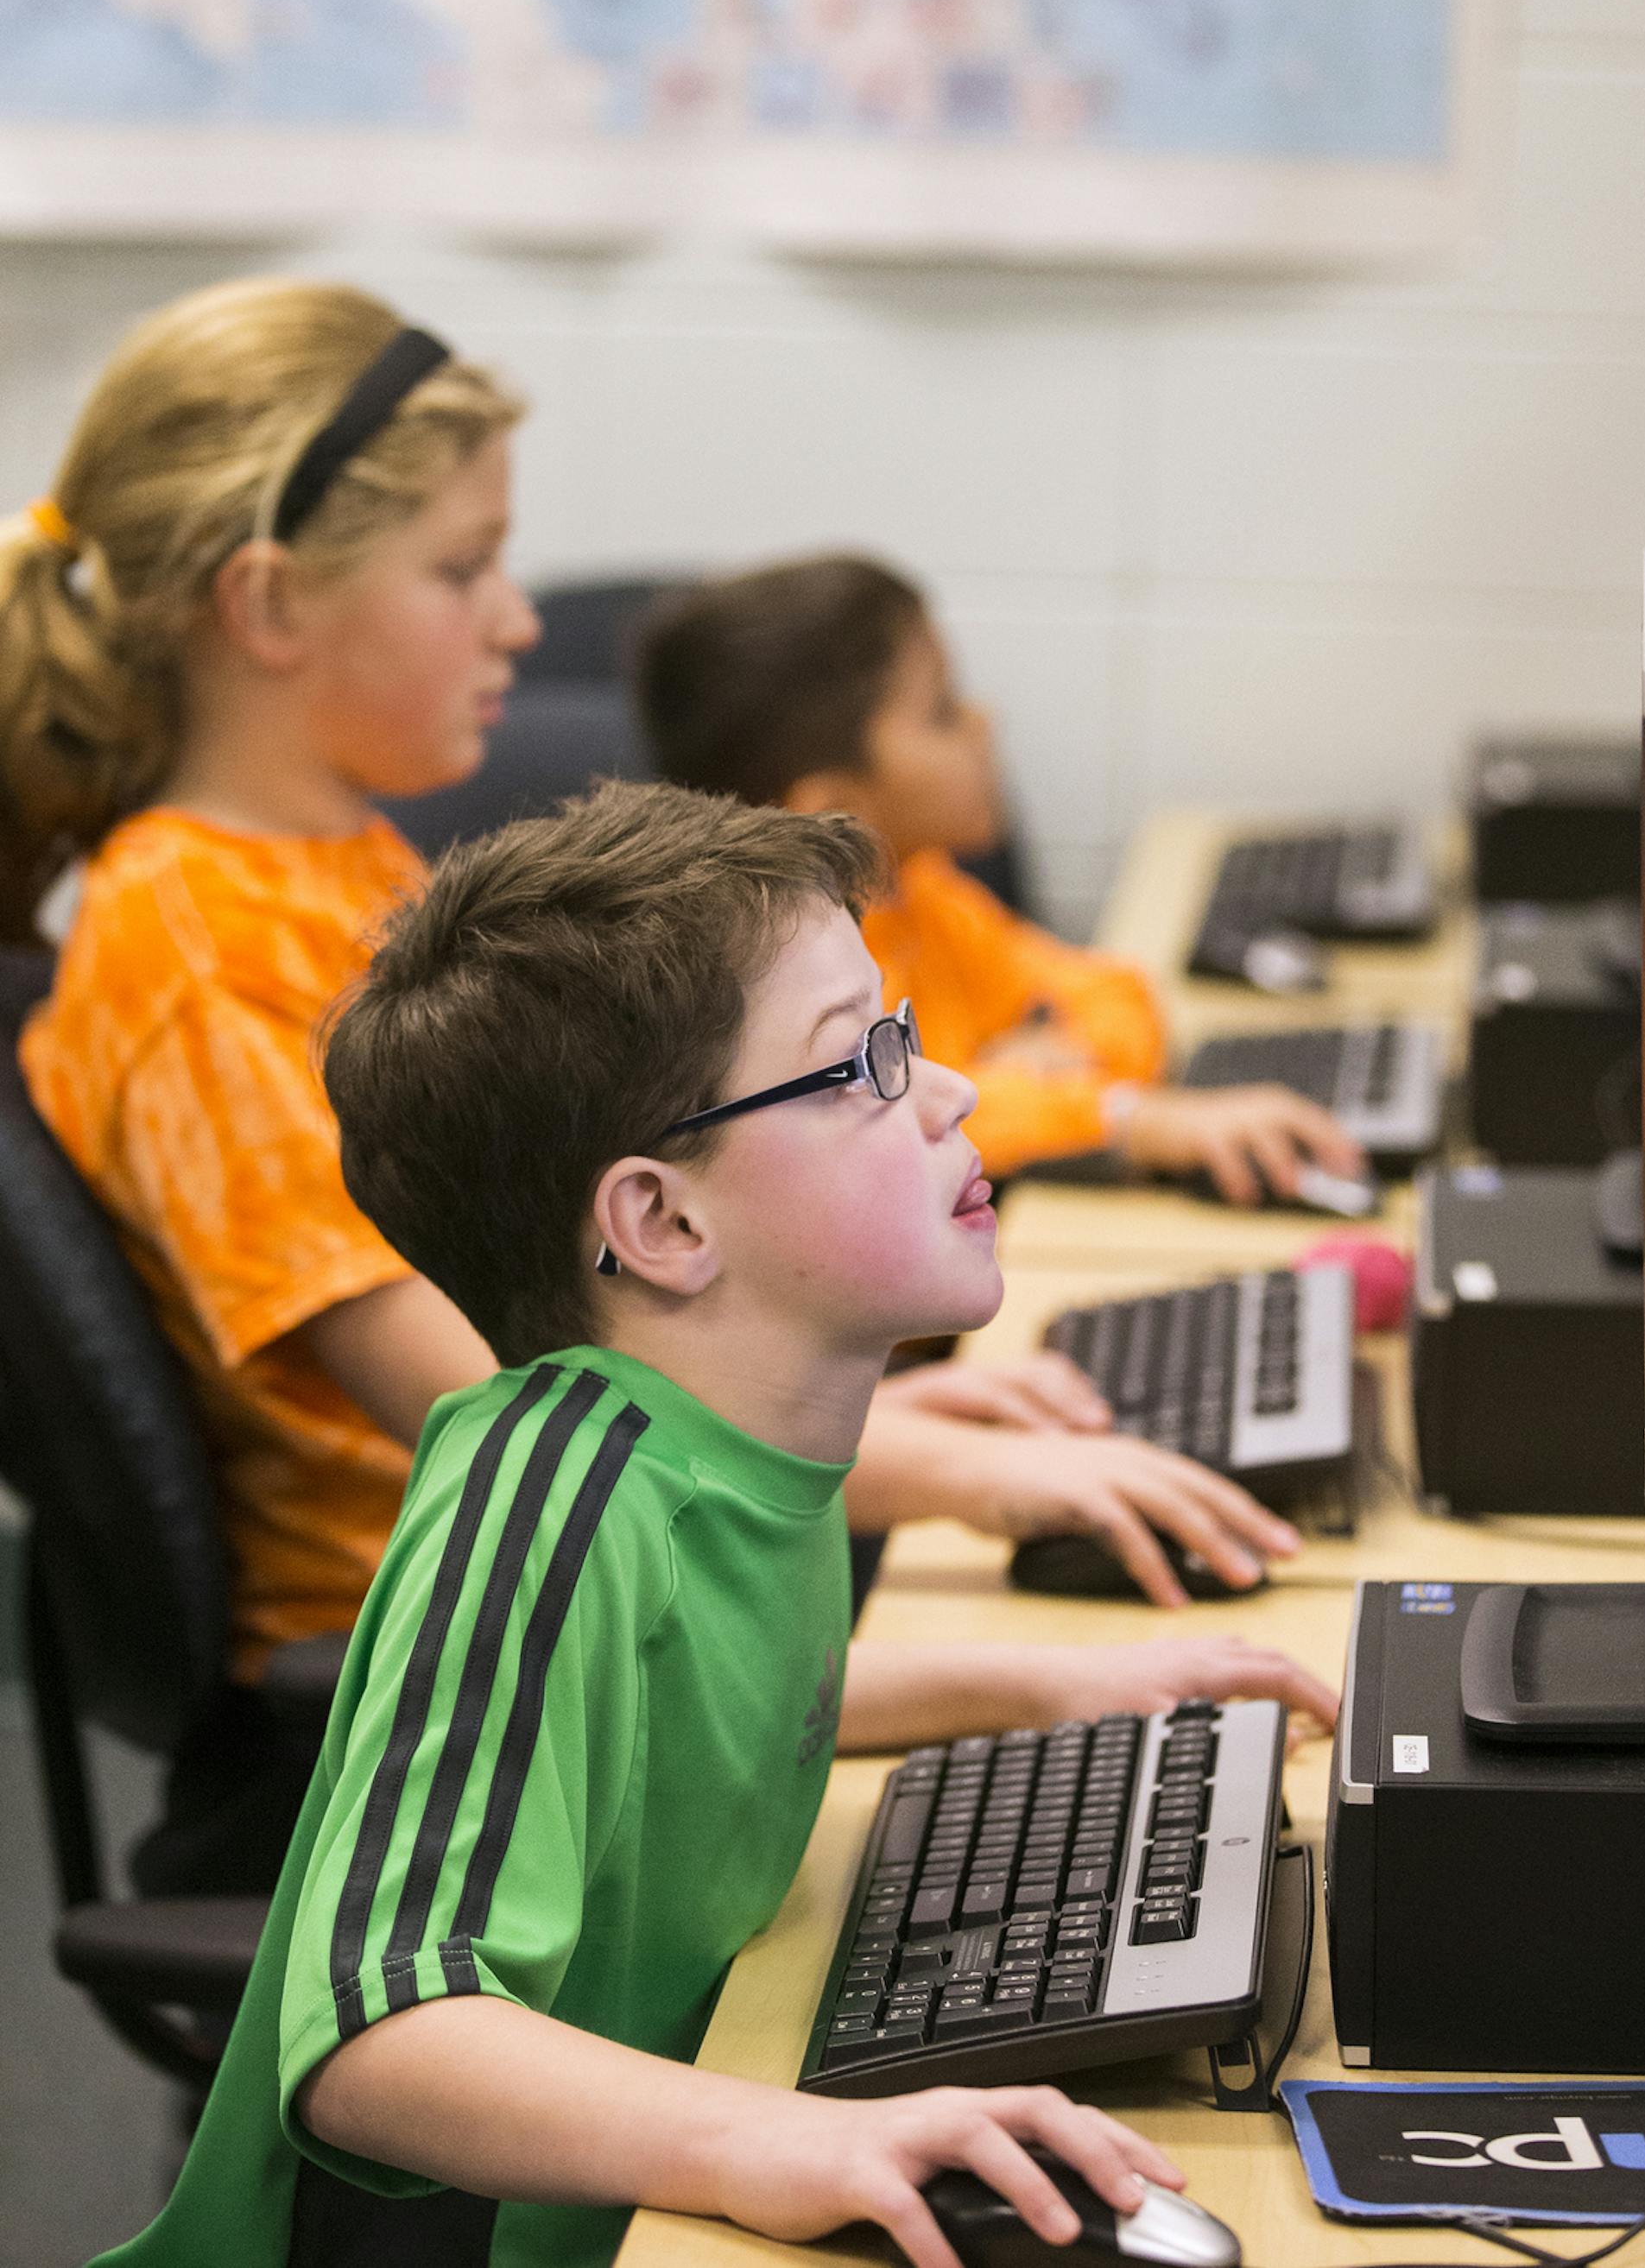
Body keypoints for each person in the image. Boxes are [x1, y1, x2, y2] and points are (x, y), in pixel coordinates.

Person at [5, 287, 1305, 1897]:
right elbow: (502, 1403)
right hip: (461, 1695)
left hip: (609, 1589)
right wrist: (954, 1477)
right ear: (268, 605)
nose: (520, 619)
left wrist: (898, 1429)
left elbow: (594, 1331)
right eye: (462, 567)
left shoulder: (322, 858)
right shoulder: (191, 945)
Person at [97, 779, 1336, 2268]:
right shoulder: (547, 1499)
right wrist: (787, 2137)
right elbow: (377, 2032)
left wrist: (1047, 1689)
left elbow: (706, 1714)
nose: (948, 1094)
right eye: (865, 1064)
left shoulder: (744, 1440)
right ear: (664, 1224)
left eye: (910, 1035)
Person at [637, 554, 1369, 1202]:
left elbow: (1115, 995)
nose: (984, 722)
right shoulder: (788, 991)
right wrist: (1114, 1114)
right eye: (943, 711)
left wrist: (1025, 1078)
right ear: (834, 809)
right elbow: (894, 1138)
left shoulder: (915, 890)